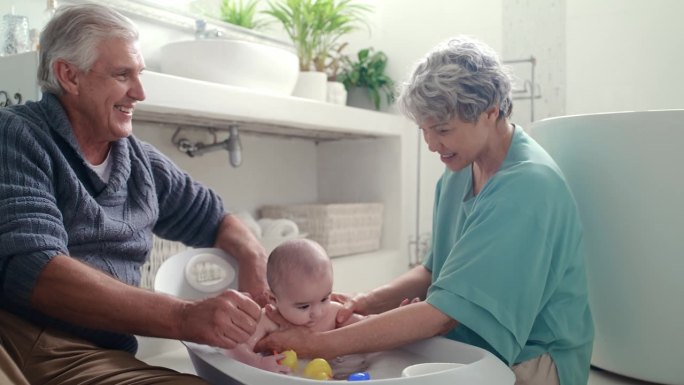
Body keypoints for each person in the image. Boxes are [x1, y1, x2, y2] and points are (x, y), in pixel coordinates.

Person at [257, 36, 594, 385]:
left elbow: (443, 315)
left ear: (491, 111)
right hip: (463, 340)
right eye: (424, 130)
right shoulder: (460, 169)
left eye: (443, 130)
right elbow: (433, 272)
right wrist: (364, 302)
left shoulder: (527, 187)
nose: (432, 144)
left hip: (534, 358)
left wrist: (319, 344)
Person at [0, 4, 269, 384]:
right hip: (24, 342)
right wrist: (184, 317)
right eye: (122, 74)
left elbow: (217, 218)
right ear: (69, 75)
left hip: (99, 355)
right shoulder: (17, 135)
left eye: (139, 74)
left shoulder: (140, 162)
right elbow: (37, 273)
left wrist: (254, 266)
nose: (140, 92)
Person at [226, 238, 365, 378]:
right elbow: (235, 346)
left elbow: (365, 329)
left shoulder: (335, 314)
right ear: (273, 299)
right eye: (304, 306)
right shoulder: (267, 321)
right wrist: (258, 362)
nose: (318, 313)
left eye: (324, 299)